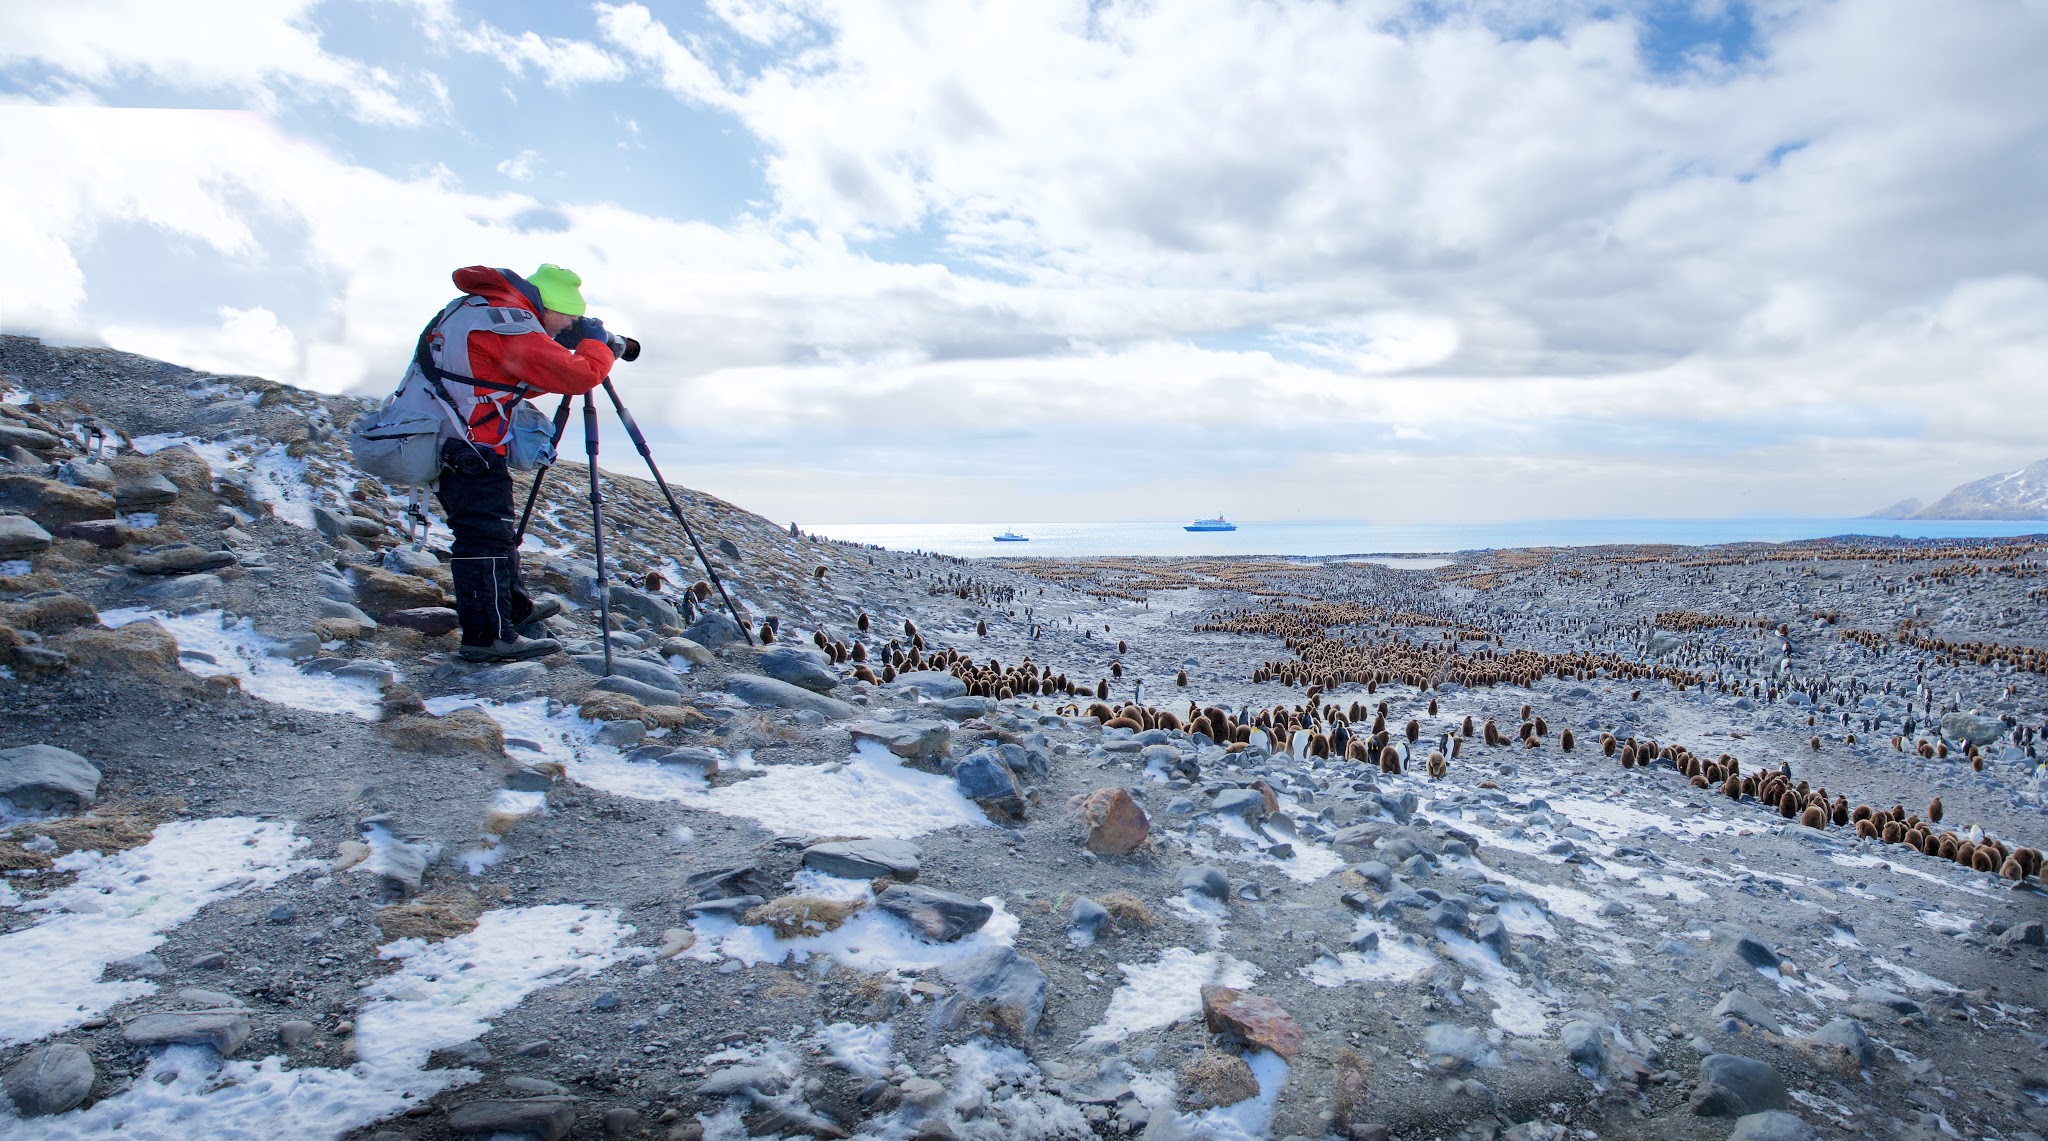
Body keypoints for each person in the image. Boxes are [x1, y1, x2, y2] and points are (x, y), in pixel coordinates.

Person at [420, 264, 615, 661]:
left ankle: (514, 610)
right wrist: (595, 345)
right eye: (569, 316)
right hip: (470, 446)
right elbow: (578, 376)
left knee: (494, 531)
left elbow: (508, 379)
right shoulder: (509, 322)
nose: (570, 325)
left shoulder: (478, 310)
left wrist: (566, 350)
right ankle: (488, 637)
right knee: (484, 537)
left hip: (449, 437)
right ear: (549, 304)